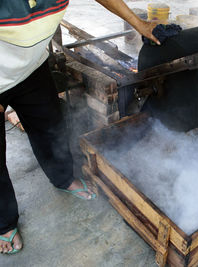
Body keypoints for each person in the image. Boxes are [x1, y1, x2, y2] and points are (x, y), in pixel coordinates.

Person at [0, 0, 160, 255]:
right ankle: (3, 222)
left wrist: (139, 24)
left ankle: (63, 177)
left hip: (30, 67)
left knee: (48, 123)